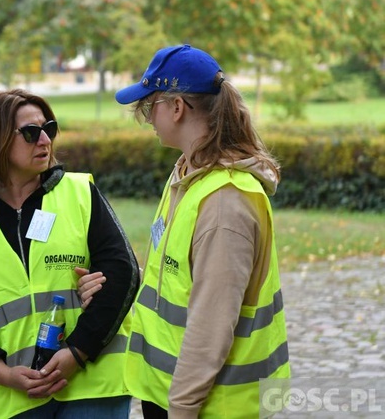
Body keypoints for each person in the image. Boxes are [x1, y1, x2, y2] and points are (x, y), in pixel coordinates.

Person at [80, 44, 291, 418]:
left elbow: (212, 324)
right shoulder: (188, 176)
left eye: (149, 107)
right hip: (171, 394)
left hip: (211, 407)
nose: (147, 119)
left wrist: (182, 408)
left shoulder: (225, 201)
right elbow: (179, 281)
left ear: (177, 108)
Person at [0, 89, 139, 418]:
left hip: (93, 389)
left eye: (50, 128)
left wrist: (77, 352)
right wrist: (3, 374)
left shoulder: (80, 193)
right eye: (31, 133)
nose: (44, 140)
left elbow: (123, 275)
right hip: (13, 399)